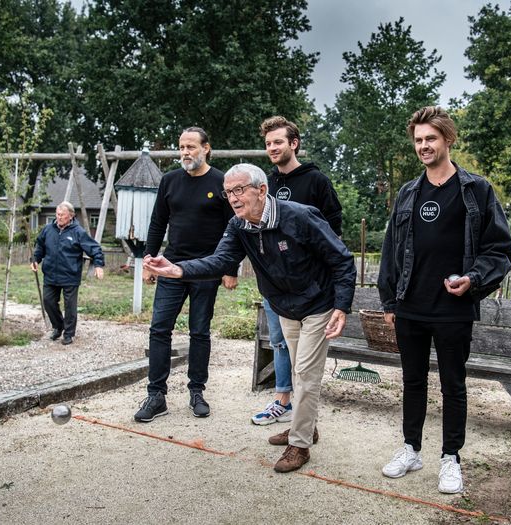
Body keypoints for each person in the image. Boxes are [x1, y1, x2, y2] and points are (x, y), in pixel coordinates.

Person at [143, 163, 356, 473]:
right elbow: (221, 260)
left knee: (306, 376)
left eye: (239, 190)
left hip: (317, 304)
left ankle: (299, 445)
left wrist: (341, 306)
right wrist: (179, 269)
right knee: (299, 370)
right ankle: (307, 426)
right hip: (285, 306)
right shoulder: (238, 225)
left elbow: (342, 259)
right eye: (229, 192)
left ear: (262, 190)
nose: (233, 198)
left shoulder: (300, 216)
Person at [377, 106, 511, 494]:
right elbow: (391, 250)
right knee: (412, 381)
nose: (423, 146)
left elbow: (500, 249)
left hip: (453, 309)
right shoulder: (407, 193)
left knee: (453, 385)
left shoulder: (477, 190)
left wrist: (473, 279)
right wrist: (390, 303)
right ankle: (411, 448)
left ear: (448, 139)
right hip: (411, 307)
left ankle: (451, 457)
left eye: (430, 139)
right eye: (418, 140)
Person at [134, 127, 238, 423]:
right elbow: (157, 223)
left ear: (206, 148)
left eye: (191, 146)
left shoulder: (221, 182)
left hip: (207, 270)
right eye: (181, 147)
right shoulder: (170, 181)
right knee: (159, 329)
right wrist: (149, 262)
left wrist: (229, 268)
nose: (185, 152)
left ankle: (196, 391)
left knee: (199, 331)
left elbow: (234, 227)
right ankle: (156, 395)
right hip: (171, 266)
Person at [252, 116, 344, 426]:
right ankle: (283, 401)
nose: (272, 148)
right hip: (276, 283)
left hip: (310, 287)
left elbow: (333, 230)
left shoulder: (316, 181)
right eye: (268, 144)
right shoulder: (267, 184)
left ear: (294, 143)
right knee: (279, 342)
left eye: (278, 142)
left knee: (305, 359)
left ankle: (302, 422)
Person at [31, 201, 105, 345]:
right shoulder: (48, 229)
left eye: (62, 215)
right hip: (51, 274)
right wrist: (35, 260)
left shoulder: (78, 232)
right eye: (57, 214)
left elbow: (95, 248)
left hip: (70, 275)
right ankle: (58, 326)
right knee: (48, 301)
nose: (58, 217)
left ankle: (69, 334)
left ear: (70, 216)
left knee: (70, 306)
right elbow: (40, 246)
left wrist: (98, 265)